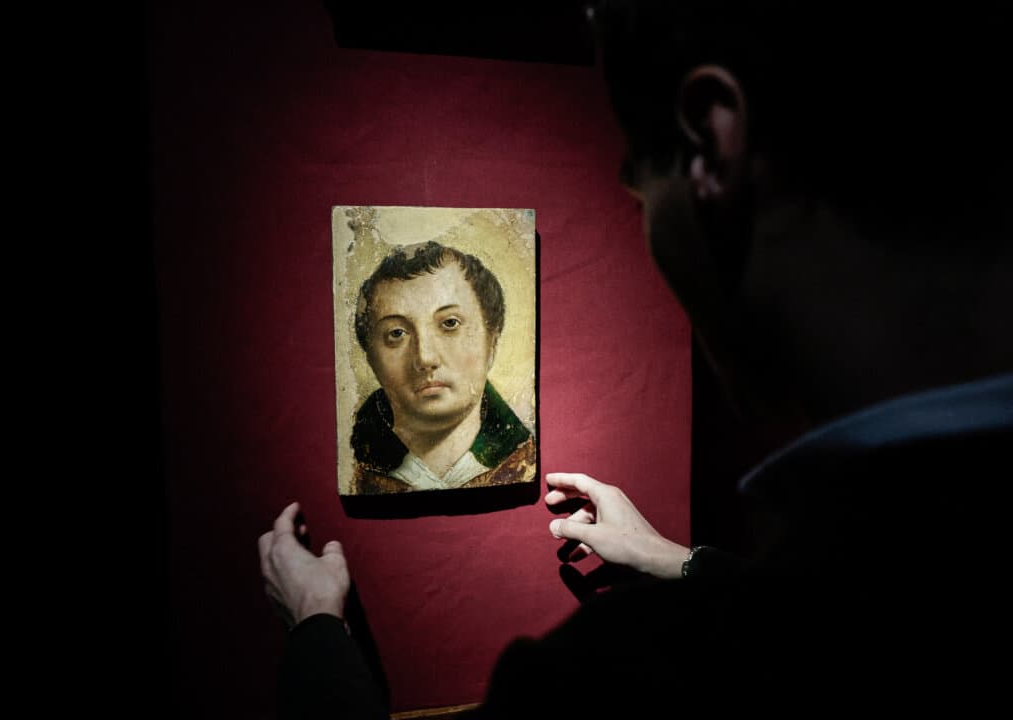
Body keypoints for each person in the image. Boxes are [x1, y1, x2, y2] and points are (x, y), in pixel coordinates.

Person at [260, 0, 1012, 715]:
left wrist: (317, 624)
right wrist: (675, 560)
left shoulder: (629, 677)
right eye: (395, 333)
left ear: (710, 142)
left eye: (641, 195)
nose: (425, 354)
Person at [347, 241, 536, 494]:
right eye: (396, 333)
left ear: (491, 341)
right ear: (371, 357)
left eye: (449, 323)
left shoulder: (525, 460)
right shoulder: (353, 468)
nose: (425, 358)